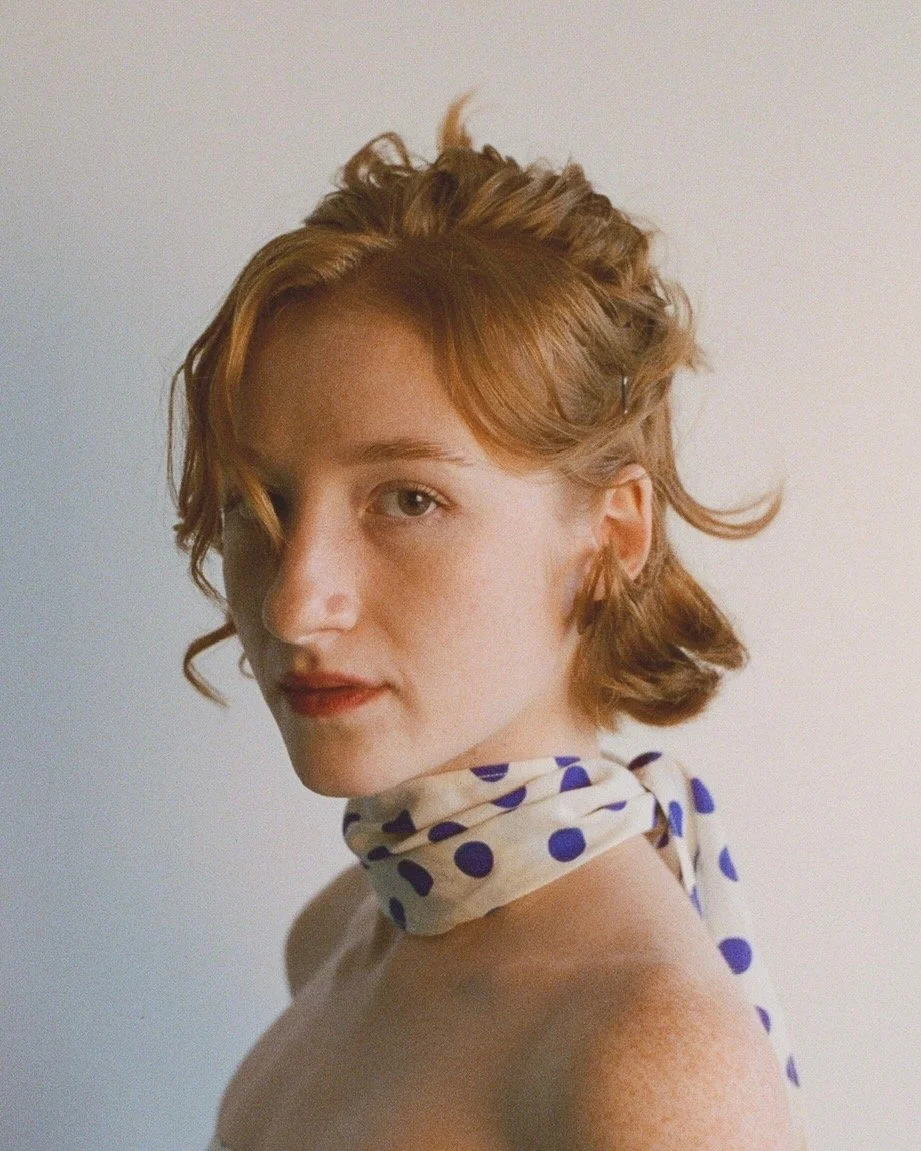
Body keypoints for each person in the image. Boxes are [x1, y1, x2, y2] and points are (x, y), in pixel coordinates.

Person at [168, 93, 810, 1150]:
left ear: (611, 533)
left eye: (408, 499)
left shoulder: (645, 1055)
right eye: (258, 504)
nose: (293, 600)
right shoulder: (338, 928)